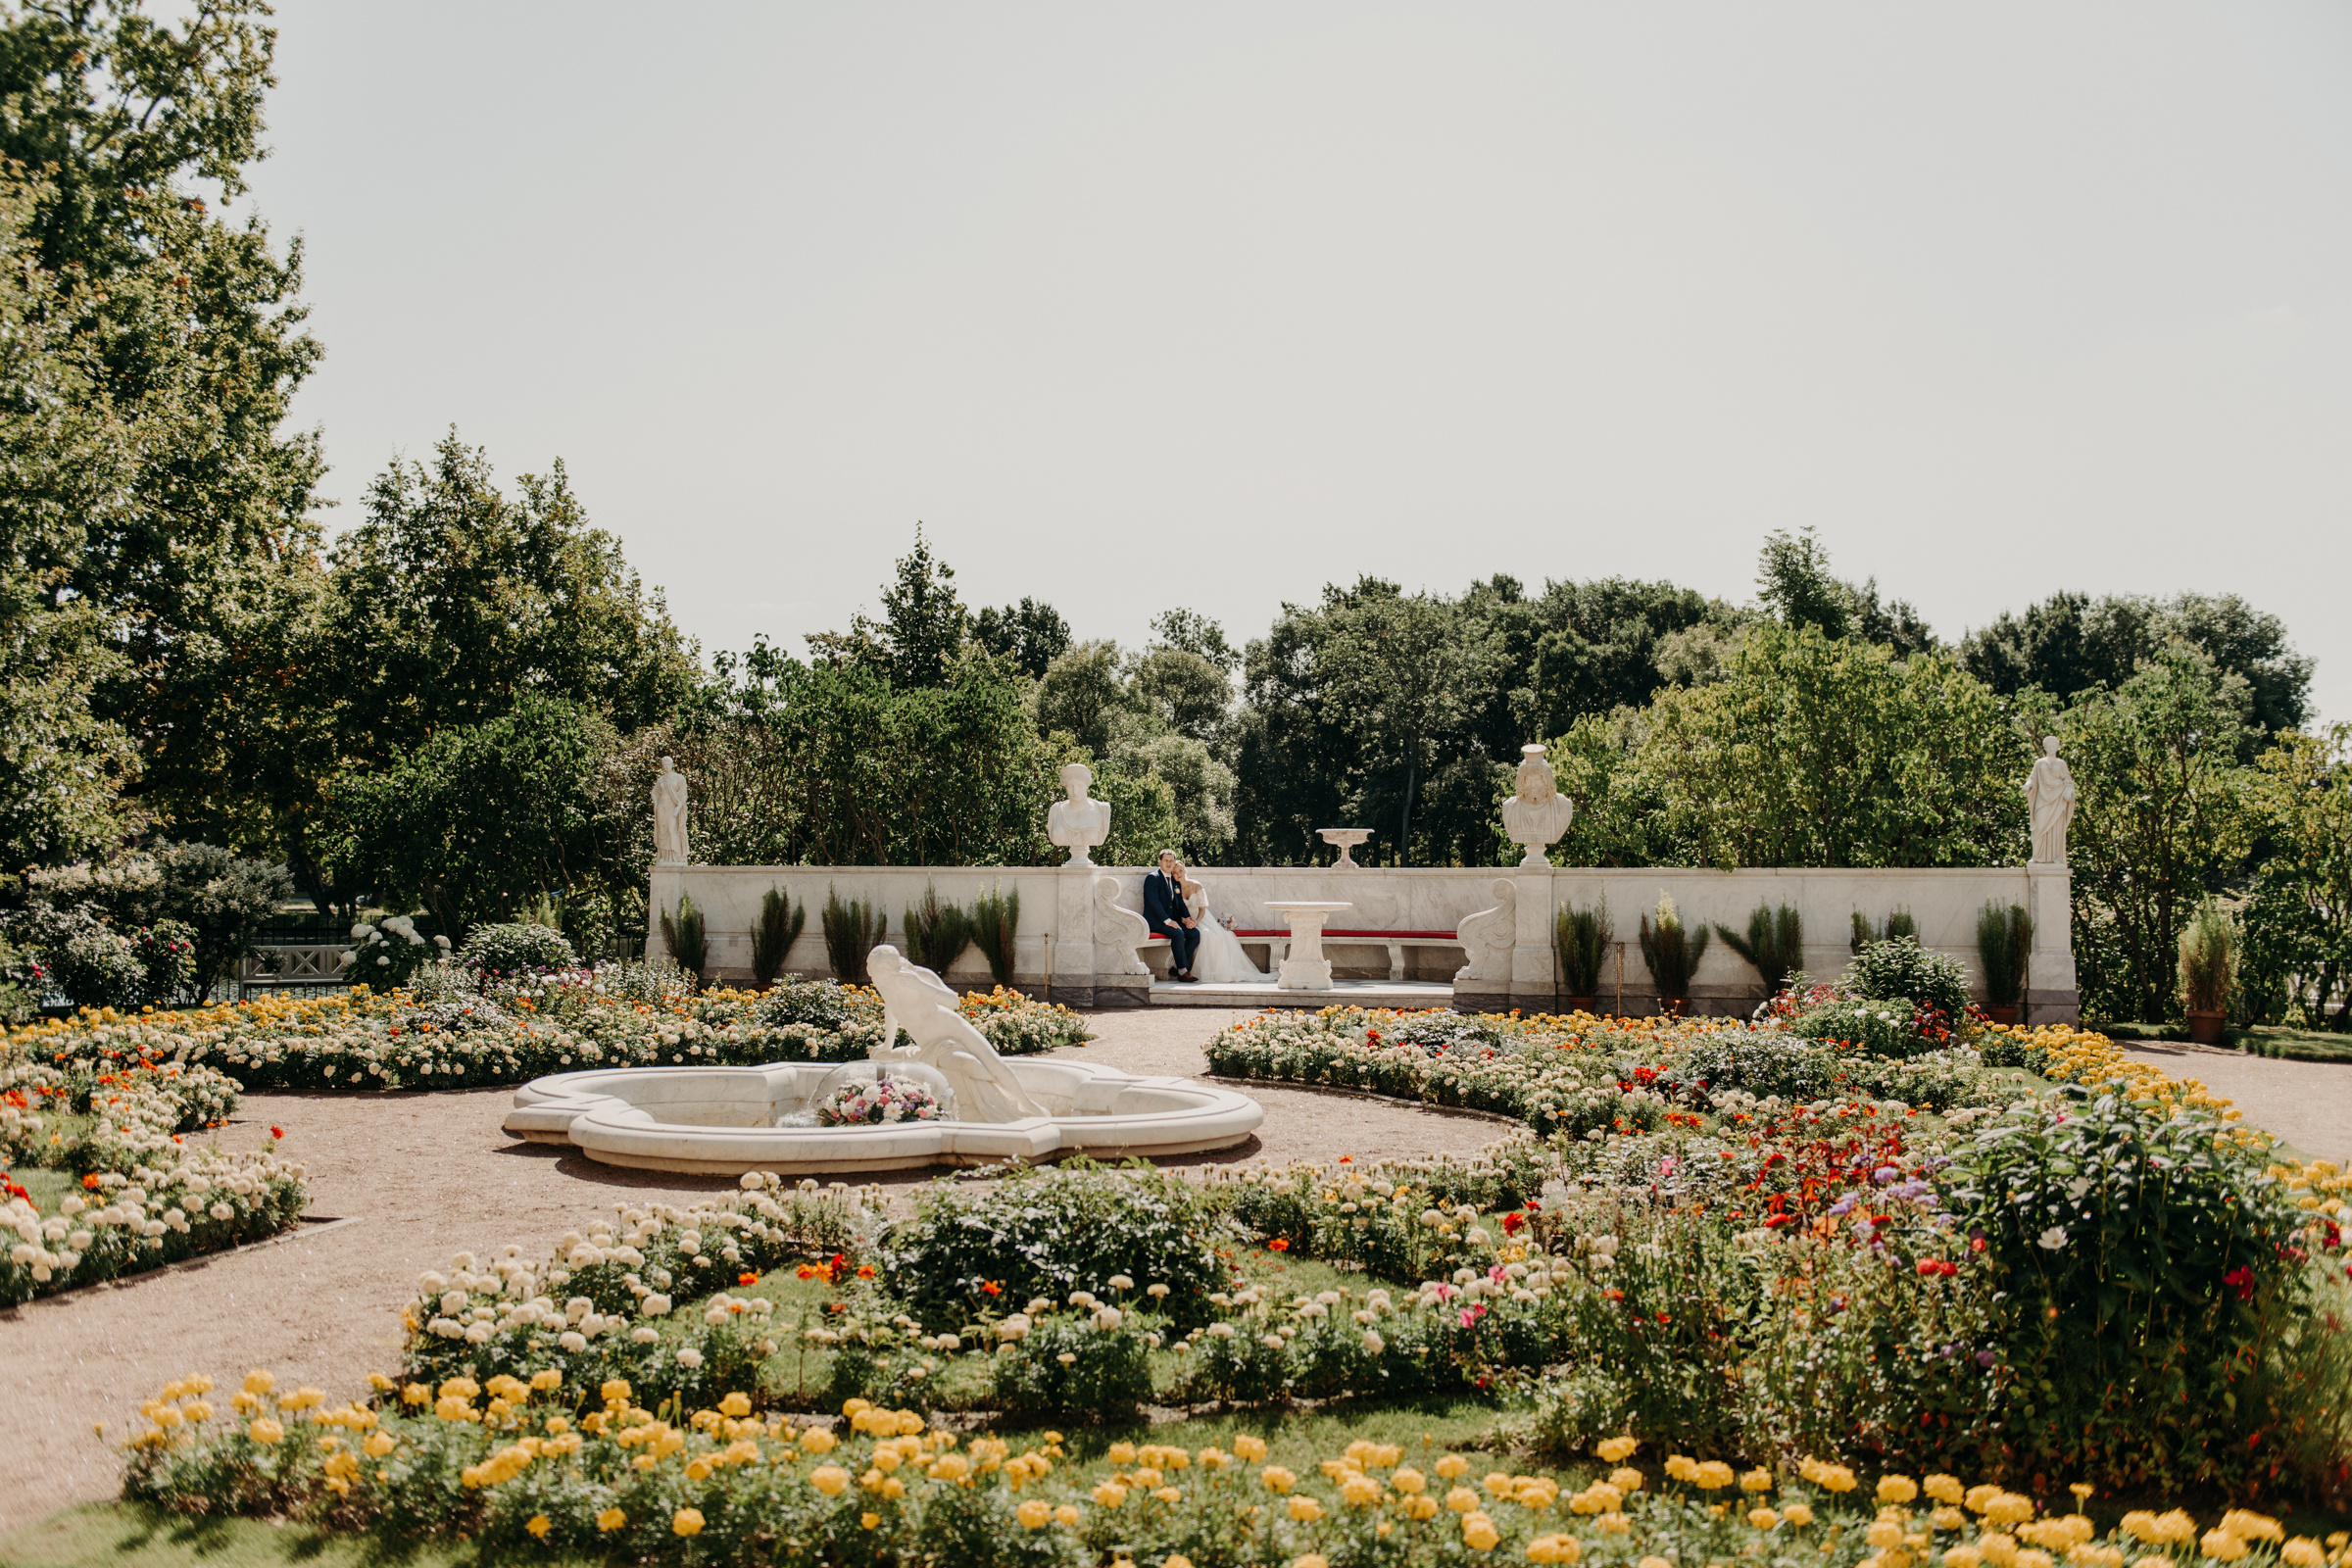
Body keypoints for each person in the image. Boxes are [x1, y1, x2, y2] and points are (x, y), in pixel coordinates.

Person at [865, 946, 1046, 1122]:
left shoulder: (919, 976)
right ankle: (1001, 1091)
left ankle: (1026, 1103)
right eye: (874, 976)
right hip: (932, 1046)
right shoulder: (884, 983)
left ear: (893, 969)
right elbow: (891, 1007)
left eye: (880, 975)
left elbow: (953, 1001)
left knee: (996, 1064)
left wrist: (920, 985)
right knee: (971, 1065)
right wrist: (888, 1044)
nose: (877, 981)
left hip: (952, 1027)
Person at [1178, 862, 1267, 984]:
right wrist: (1186, 921)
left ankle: (1218, 971)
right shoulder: (1175, 888)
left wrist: (1197, 921)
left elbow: (1202, 908)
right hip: (1188, 919)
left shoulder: (1196, 885)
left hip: (1202, 917)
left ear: (1185, 871)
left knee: (1217, 936)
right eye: (1174, 872)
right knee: (1204, 934)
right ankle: (1202, 971)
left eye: (1180, 871)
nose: (1178, 874)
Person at [1142, 849, 1200, 981]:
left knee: (1195, 934)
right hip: (1156, 922)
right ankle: (1183, 972)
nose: (1168, 863)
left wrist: (1187, 919)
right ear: (1160, 862)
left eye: (1171, 861)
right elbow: (1154, 903)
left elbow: (1180, 903)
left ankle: (1175, 966)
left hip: (1172, 921)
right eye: (1166, 860)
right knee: (1178, 934)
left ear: (1174, 863)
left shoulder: (1174, 881)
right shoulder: (1153, 878)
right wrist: (1167, 921)